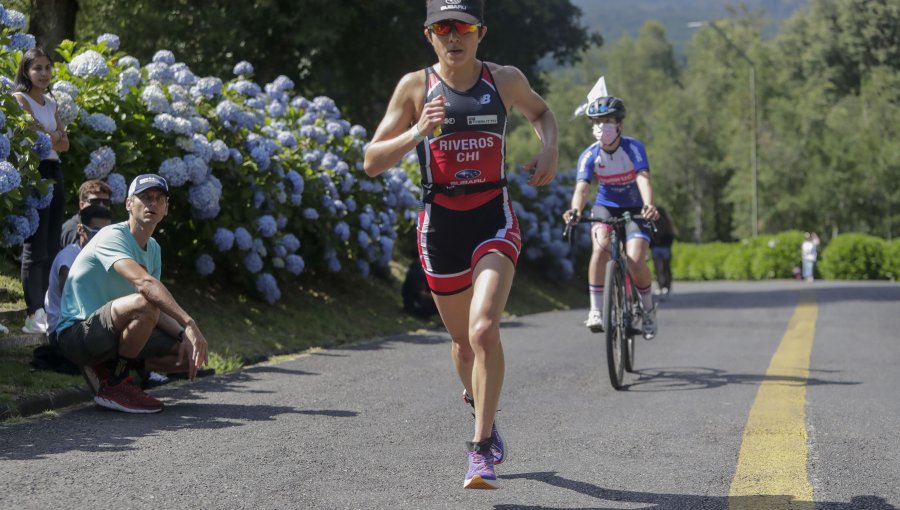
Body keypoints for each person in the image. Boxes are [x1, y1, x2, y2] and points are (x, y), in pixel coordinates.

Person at [363, 0, 558, 490]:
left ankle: (480, 449)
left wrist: (549, 148)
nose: (453, 37)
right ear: (429, 35)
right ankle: (479, 403)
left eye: (463, 28)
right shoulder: (415, 87)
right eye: (442, 28)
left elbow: (543, 113)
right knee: (461, 344)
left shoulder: (505, 80)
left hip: (494, 218)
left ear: (480, 33)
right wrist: (416, 131)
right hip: (440, 225)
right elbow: (370, 160)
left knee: (484, 328)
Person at [56, 174, 209, 414]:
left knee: (183, 353)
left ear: (166, 209)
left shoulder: (154, 248)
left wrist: (184, 335)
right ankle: (116, 384)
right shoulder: (112, 236)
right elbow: (145, 286)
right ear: (129, 204)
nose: (153, 204)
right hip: (77, 333)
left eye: (160, 199)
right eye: (145, 197)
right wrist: (189, 322)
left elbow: (155, 308)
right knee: (145, 303)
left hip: (111, 331)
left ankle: (111, 369)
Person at [563, 95, 660, 339]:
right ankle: (596, 310)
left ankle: (648, 310)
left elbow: (643, 178)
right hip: (605, 207)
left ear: (620, 124)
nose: (601, 126)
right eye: (596, 122)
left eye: (607, 120)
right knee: (600, 249)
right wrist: (575, 210)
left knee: (637, 260)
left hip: (635, 208)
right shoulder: (589, 155)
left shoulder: (633, 148)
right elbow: (583, 188)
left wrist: (649, 204)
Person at [13, 47, 69, 335]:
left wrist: (52, 137)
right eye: (37, 68)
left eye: (47, 68)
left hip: (55, 172)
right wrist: (53, 136)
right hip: (35, 173)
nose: (44, 73)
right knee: (35, 244)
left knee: (51, 244)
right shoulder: (20, 99)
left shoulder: (51, 103)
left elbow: (64, 144)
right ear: (26, 71)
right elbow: (37, 136)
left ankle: (48, 307)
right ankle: (33, 311)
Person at [30, 205, 112, 376]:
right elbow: (74, 301)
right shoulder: (68, 258)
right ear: (81, 230)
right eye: (97, 231)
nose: (103, 238)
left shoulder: (103, 256)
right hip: (64, 332)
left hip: (88, 324)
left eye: (107, 232)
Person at [60, 180, 113, 249]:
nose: (101, 206)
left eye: (106, 202)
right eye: (95, 202)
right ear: (82, 205)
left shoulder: (108, 224)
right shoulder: (71, 230)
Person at [650, 206, 676, 299]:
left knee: (659, 269)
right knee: (666, 268)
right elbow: (671, 237)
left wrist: (652, 245)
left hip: (656, 248)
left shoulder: (654, 224)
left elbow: (650, 238)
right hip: (664, 248)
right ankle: (667, 286)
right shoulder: (668, 224)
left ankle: (661, 286)